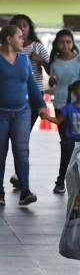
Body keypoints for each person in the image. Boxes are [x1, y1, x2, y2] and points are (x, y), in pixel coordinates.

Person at [0, 25, 47, 206]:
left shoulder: (24, 60)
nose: (23, 40)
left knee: (21, 151)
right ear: (9, 39)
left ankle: (25, 190)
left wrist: (41, 105)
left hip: (22, 112)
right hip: (1, 114)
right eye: (19, 37)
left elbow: (32, 85)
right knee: (1, 152)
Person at [7, 14, 52, 189]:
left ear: (29, 28)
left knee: (22, 137)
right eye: (19, 26)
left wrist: (39, 59)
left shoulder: (37, 47)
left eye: (25, 26)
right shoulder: (9, 48)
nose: (23, 29)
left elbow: (50, 68)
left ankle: (20, 175)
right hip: (14, 95)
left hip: (34, 95)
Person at [48, 29, 80, 194]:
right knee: (66, 145)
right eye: (61, 42)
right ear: (57, 45)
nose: (65, 45)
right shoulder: (55, 62)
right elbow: (52, 83)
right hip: (61, 105)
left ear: (73, 43)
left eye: (68, 42)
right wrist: (52, 80)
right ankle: (61, 180)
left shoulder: (79, 60)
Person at [43, 80, 80, 162]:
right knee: (72, 164)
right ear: (74, 93)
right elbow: (58, 120)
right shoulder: (69, 108)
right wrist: (46, 116)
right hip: (72, 143)